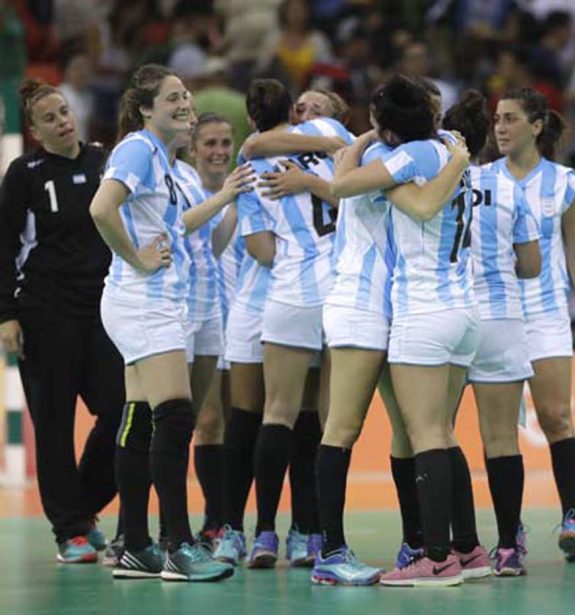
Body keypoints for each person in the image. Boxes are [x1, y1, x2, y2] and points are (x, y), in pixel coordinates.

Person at [330, 74, 477, 587]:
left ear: (389, 128)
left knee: (426, 434)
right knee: (444, 431)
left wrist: (365, 142)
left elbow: (342, 186)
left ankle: (435, 558)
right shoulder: (450, 150)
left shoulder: (413, 156)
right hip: (465, 309)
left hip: (424, 308)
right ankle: (470, 549)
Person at [88, 64, 233, 582]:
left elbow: (173, 226)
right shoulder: (137, 149)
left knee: (142, 417)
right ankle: (179, 546)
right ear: (146, 108)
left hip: (151, 299)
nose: (185, 103)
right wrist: (136, 259)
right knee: (175, 416)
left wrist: (224, 197)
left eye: (186, 94)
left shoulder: (164, 162)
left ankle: (137, 544)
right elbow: (101, 208)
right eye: (173, 97)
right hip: (142, 300)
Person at [0, 78, 121, 564]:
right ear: (34, 130)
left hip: (104, 310)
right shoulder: (23, 173)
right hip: (44, 312)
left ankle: (83, 507)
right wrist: (6, 315)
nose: (62, 121)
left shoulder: (103, 162)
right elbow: (4, 248)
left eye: (65, 111)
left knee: (124, 409)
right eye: (49, 118)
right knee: (52, 424)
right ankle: (69, 531)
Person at [236, 79, 346, 569]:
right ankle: (319, 534)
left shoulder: (254, 159)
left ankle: (265, 533)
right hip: (342, 288)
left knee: (277, 412)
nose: (311, 107)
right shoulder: (330, 134)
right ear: (293, 110)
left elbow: (254, 145)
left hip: (291, 289)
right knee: (326, 420)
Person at [493, 87, 575, 561]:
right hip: (495, 313)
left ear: (536, 126)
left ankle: (572, 518)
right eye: (497, 118)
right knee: (499, 432)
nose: (499, 127)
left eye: (510, 118)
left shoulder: (564, 184)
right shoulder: (480, 179)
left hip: (545, 312)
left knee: (556, 418)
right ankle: (510, 532)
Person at [463, 91, 542, 576]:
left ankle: (458, 544)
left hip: (445, 318)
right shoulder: (511, 188)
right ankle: (509, 545)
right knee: (500, 441)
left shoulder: (429, 181)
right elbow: (531, 264)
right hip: (501, 317)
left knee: (438, 436)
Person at [171, 112, 254, 547]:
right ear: (194, 149)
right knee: (206, 420)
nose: (219, 151)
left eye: (226, 142)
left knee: (239, 421)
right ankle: (214, 518)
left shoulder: (244, 189)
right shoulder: (184, 188)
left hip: (241, 319)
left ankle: (232, 521)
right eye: (211, 144)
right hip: (199, 313)